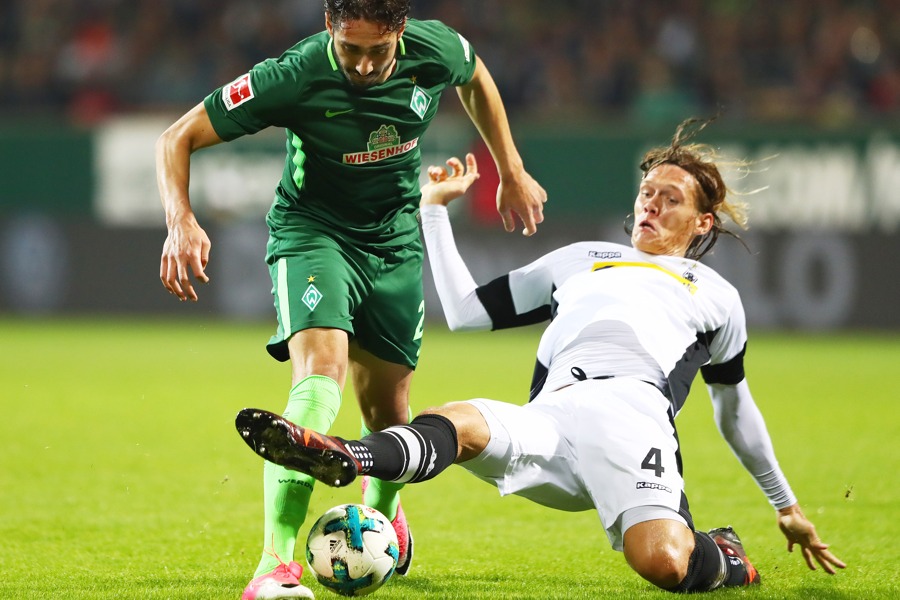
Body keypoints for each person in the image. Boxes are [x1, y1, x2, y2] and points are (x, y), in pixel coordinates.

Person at [235, 118, 847, 593]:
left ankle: (725, 555)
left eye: (669, 199)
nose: (650, 206)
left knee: (663, 564)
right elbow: (469, 313)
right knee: (460, 420)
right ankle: (349, 455)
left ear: (703, 221)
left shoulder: (715, 294)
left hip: (632, 423)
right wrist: (432, 211)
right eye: (645, 193)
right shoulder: (583, 257)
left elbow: (734, 408)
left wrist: (785, 506)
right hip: (551, 417)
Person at [155, 0, 547, 597]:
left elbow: (476, 76)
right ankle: (274, 567)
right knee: (321, 375)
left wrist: (511, 168)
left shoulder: (435, 48)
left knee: (390, 413)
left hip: (393, 240)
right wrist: (180, 219)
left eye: (378, 52)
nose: (363, 67)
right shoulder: (293, 75)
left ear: (401, 33)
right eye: (350, 50)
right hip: (313, 234)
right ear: (329, 30)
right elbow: (176, 138)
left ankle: (383, 519)